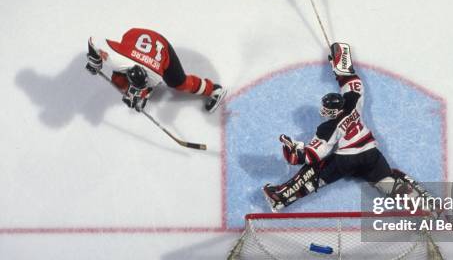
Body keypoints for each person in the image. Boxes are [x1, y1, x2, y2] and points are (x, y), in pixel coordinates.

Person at [262, 42, 430, 212]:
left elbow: (312, 155)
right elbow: (353, 82)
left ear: (333, 111)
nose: (324, 110)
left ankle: (280, 198)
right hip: (371, 153)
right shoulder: (351, 101)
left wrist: (294, 151)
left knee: (314, 173)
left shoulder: (328, 128)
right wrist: (341, 67)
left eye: (327, 108)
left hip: (347, 160)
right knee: (386, 182)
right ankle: (422, 206)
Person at [85, 28, 226, 112]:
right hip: (135, 44)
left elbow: (93, 40)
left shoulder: (155, 76)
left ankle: (214, 89)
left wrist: (140, 95)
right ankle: (137, 87)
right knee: (119, 82)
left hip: (161, 48)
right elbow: (93, 42)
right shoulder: (114, 59)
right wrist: (96, 59)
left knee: (179, 83)